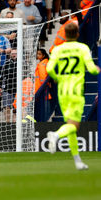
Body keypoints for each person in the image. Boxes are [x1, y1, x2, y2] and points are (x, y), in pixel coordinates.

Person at [46, 23, 100, 170]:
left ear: (65, 34)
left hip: (62, 91)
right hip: (75, 91)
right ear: (77, 34)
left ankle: (77, 161)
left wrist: (56, 77)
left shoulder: (58, 49)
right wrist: (96, 69)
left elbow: (49, 68)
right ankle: (56, 135)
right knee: (73, 125)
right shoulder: (82, 48)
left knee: (70, 126)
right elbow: (91, 69)